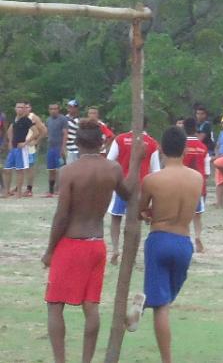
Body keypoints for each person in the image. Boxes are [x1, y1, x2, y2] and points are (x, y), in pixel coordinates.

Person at [42, 119, 144, 363]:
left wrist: (49, 250)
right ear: (102, 142)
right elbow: (129, 194)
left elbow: (62, 215)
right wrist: (136, 162)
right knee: (91, 306)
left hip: (71, 243)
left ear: (77, 143)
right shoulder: (113, 169)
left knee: (55, 304)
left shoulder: (69, 172)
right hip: (96, 244)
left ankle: (61, 360)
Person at [130, 126, 203, 363]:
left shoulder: (152, 180)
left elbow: (140, 210)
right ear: (185, 148)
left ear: (160, 148)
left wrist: (148, 214)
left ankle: (166, 360)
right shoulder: (197, 178)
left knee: (161, 306)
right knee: (166, 298)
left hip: (160, 238)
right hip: (183, 241)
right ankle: (142, 305)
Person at [107, 117, 161, 265]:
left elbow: (109, 162)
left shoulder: (120, 139)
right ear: (147, 125)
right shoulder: (152, 143)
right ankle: (132, 253)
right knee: (136, 219)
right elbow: (155, 170)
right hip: (142, 187)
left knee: (116, 217)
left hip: (121, 184)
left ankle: (115, 248)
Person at [182, 118, 210, 252]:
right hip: (198, 186)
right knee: (197, 215)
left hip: (182, 185)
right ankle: (198, 236)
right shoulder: (202, 147)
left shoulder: (181, 146)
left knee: (183, 215)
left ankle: (187, 239)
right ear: (195, 129)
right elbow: (207, 171)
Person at [2, 102, 35, 198]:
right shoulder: (15, 119)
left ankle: (19, 193)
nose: (20, 109)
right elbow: (9, 131)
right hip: (13, 148)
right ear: (15, 109)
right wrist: (9, 142)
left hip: (21, 148)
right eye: (18, 107)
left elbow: (36, 132)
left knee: (19, 170)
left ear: (25, 109)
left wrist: (26, 142)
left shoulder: (26, 120)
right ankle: (6, 192)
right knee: (7, 169)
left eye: (22, 107)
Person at [44, 104, 69, 198]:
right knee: (51, 169)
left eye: (55, 109)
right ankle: (51, 190)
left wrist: (63, 147)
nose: (53, 110)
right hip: (50, 148)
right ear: (49, 110)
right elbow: (46, 132)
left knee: (61, 169)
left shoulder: (63, 119)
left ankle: (60, 189)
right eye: (51, 109)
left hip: (59, 148)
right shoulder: (48, 120)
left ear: (58, 110)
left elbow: (65, 134)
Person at [23, 101, 47, 197]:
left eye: (28, 107)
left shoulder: (33, 118)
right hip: (21, 146)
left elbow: (44, 130)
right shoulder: (20, 117)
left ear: (30, 108)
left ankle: (29, 189)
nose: (26, 109)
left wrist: (36, 142)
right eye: (24, 107)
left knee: (30, 168)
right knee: (21, 167)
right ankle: (19, 187)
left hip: (29, 147)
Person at [65, 100, 80, 164]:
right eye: (68, 107)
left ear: (76, 108)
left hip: (76, 148)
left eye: (71, 107)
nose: (69, 108)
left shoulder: (79, 120)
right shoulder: (65, 118)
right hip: (67, 149)